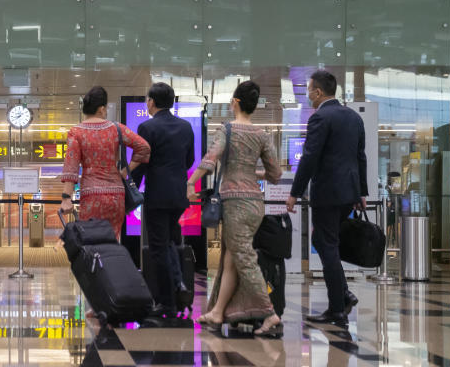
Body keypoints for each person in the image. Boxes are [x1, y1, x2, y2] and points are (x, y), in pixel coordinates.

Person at [186, 81, 283, 337]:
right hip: (255, 203)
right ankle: (218, 311)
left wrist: (191, 181)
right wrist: (253, 171)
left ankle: (270, 313)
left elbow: (211, 158)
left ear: (236, 103)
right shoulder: (262, 135)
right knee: (231, 258)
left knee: (245, 260)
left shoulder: (228, 130)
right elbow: (276, 174)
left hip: (235, 205)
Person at [286, 70, 367, 327]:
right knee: (323, 241)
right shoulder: (353, 117)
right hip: (348, 193)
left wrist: (294, 192)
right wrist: (361, 192)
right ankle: (343, 293)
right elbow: (360, 157)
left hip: (328, 193)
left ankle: (337, 307)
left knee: (327, 244)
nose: (308, 94)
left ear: (318, 92)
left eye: (309, 90)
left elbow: (309, 158)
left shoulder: (320, 117)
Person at [132, 82, 195, 317]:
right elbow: (189, 161)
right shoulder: (186, 127)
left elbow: (141, 163)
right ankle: (179, 288)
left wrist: (132, 192)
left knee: (159, 247)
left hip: (157, 195)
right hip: (178, 195)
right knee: (170, 243)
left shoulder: (147, 127)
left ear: (151, 102)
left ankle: (166, 302)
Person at [59, 86, 150, 238]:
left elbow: (71, 166)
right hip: (116, 195)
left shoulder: (76, 132)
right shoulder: (116, 128)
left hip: (91, 195)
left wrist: (66, 198)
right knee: (113, 239)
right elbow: (144, 147)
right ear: (101, 109)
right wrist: (126, 171)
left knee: (91, 240)